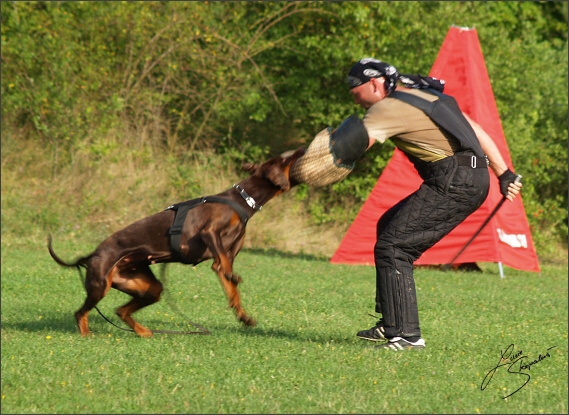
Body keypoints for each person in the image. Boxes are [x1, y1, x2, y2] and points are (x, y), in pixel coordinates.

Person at [344, 58, 522, 350]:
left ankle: (407, 337)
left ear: (374, 84)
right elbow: (474, 129)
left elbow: (352, 148)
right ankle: (391, 322)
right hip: (472, 176)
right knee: (388, 224)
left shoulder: (384, 108)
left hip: (453, 180)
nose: (354, 98)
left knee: (395, 246)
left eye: (355, 91)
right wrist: (504, 173)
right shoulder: (421, 95)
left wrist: (308, 163)